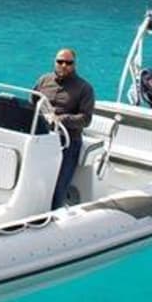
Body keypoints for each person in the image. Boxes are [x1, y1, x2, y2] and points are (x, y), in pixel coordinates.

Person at [34, 49, 96, 210]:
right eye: (60, 61)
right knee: (35, 180)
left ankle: (54, 215)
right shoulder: (43, 80)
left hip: (67, 142)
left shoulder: (84, 88)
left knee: (58, 185)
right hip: (41, 137)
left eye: (68, 63)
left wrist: (61, 119)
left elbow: (85, 119)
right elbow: (32, 102)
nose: (63, 65)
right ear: (54, 62)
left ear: (74, 65)